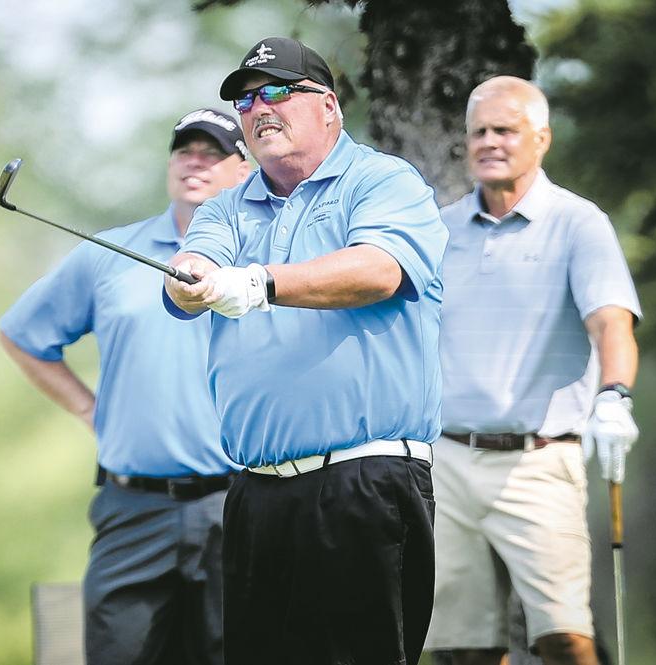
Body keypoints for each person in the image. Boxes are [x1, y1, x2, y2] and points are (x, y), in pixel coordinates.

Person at [163, 37, 447, 665]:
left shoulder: (383, 181)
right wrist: (191, 280)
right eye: (246, 99)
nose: (260, 107)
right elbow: (193, 267)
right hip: (256, 495)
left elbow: (378, 270)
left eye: (278, 91)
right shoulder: (226, 208)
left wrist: (259, 282)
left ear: (329, 106)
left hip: (365, 482)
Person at [0, 108, 251, 665]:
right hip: (133, 507)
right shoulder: (110, 252)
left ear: (243, 170)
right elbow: (22, 335)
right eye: (184, 150)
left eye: (212, 153)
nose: (194, 162)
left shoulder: (267, 261)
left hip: (238, 504)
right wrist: (89, 410)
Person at [423, 76, 641, 665]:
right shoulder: (439, 230)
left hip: (538, 461)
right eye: (478, 132)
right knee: (461, 648)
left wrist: (614, 396)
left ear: (541, 138)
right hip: (450, 460)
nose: (489, 142)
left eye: (505, 130)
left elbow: (611, 322)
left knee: (564, 638)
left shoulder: (578, 222)